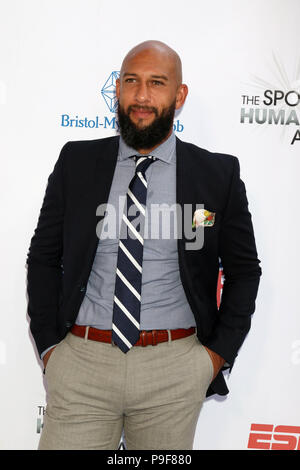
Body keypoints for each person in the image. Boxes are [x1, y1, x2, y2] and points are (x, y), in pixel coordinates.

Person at [26, 40, 261, 450]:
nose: (142, 95)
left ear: (179, 95)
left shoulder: (217, 174)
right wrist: (50, 348)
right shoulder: (76, 162)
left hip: (173, 369)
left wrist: (214, 357)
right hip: (82, 362)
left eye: (157, 83)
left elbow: (244, 271)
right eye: (132, 81)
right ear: (117, 89)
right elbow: (44, 258)